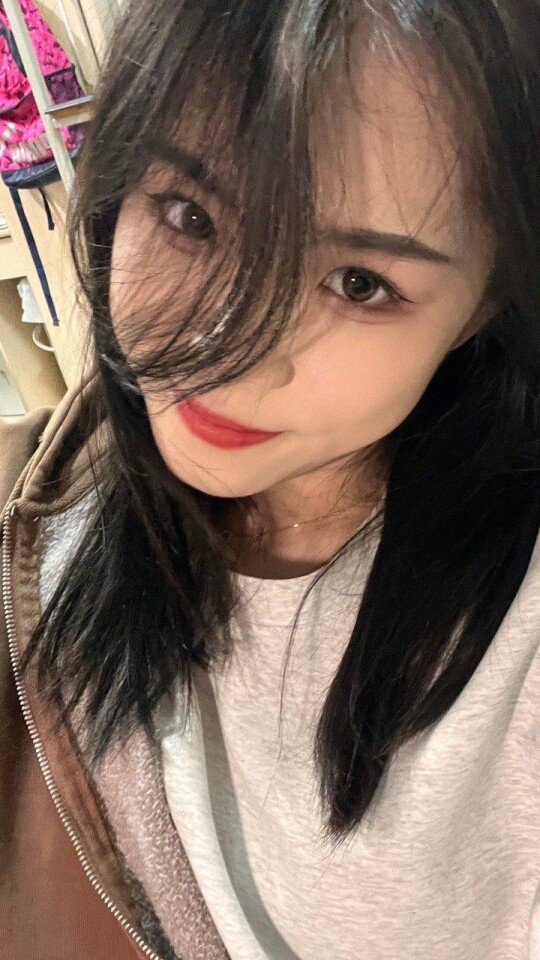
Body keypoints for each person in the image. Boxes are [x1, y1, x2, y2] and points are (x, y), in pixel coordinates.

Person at [1, 1, 538, 957]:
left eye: (359, 282)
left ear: (481, 305)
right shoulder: (47, 515)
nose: (226, 352)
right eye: (190, 217)